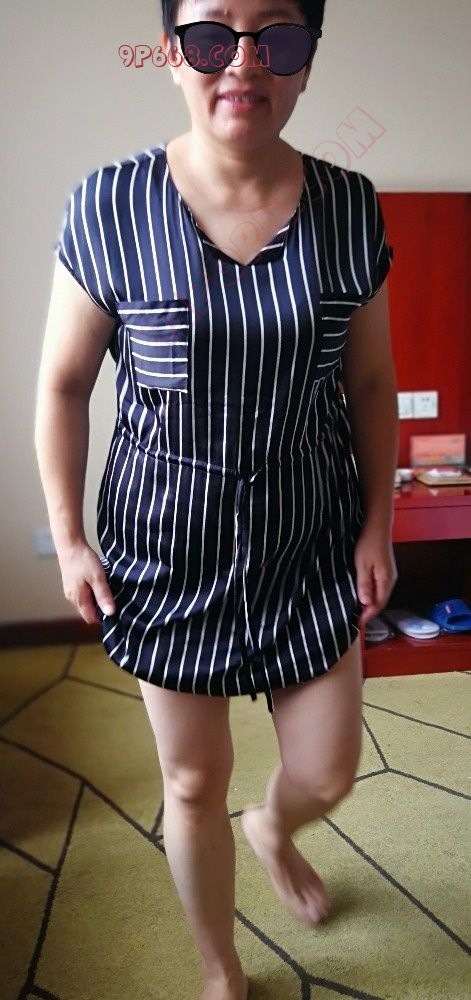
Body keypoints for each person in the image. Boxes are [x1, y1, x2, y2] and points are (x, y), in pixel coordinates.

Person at [35, 1, 399, 997]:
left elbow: (371, 384)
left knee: (326, 771)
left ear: (306, 60)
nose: (243, 63)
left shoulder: (349, 206)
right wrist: (70, 538)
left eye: (276, 39)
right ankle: (220, 968)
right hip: (166, 551)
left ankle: (272, 825)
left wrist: (377, 524)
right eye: (210, 37)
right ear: (170, 54)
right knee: (192, 781)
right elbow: (62, 386)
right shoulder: (109, 205)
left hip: (309, 538)